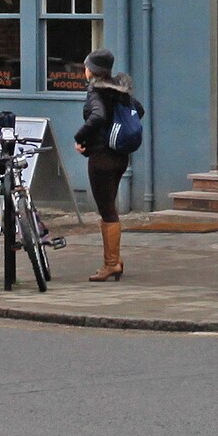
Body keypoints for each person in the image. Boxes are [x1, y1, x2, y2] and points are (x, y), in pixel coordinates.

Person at [72, 47, 143, 282]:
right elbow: (139, 110)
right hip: (121, 156)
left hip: (101, 158)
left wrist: (80, 137)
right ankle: (114, 260)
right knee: (109, 207)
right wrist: (118, 131)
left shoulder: (95, 91)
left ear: (91, 70)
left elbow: (98, 116)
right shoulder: (120, 90)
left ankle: (111, 264)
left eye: (86, 66)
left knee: (107, 210)